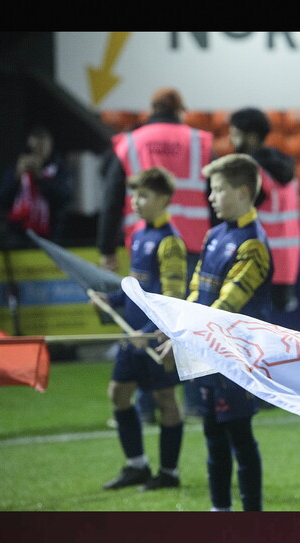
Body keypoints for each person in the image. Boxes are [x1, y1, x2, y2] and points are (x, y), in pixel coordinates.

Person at [99, 87, 215, 417]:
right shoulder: (199, 141)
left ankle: (147, 407)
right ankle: (194, 402)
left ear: (151, 109)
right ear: (180, 110)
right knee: (186, 324)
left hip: (144, 240)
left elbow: (111, 196)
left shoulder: (130, 141)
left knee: (144, 320)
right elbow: (215, 195)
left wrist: (106, 248)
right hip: (194, 243)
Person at [181, 153, 273, 511]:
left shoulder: (253, 243)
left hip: (236, 355)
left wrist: (190, 333)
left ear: (243, 192)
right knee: (212, 435)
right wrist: (181, 327)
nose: (211, 197)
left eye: (218, 189)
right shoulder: (214, 234)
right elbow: (196, 289)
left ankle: (252, 514)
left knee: (239, 437)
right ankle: (220, 509)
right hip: (206, 348)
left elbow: (228, 304)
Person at [90, 167, 187, 492]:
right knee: (118, 393)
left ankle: (169, 473)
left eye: (143, 195)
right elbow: (136, 288)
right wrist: (111, 299)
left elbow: (172, 299)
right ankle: (137, 466)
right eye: (134, 195)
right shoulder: (139, 234)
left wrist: (148, 330)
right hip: (133, 336)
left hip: (154, 337)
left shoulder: (170, 242)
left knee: (165, 399)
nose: (135, 201)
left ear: (163, 199)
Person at [228, 107, 300, 313]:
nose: (230, 140)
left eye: (235, 134)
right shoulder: (287, 167)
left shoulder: (251, 171)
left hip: (257, 260)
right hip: (286, 262)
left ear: (251, 137)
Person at [0, 125, 74, 246]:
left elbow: (64, 198)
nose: (38, 152)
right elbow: (2, 200)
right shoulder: (16, 169)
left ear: (50, 146)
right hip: (18, 235)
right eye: (34, 148)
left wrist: (40, 178)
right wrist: (17, 177)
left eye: (42, 147)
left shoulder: (59, 170)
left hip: (51, 236)